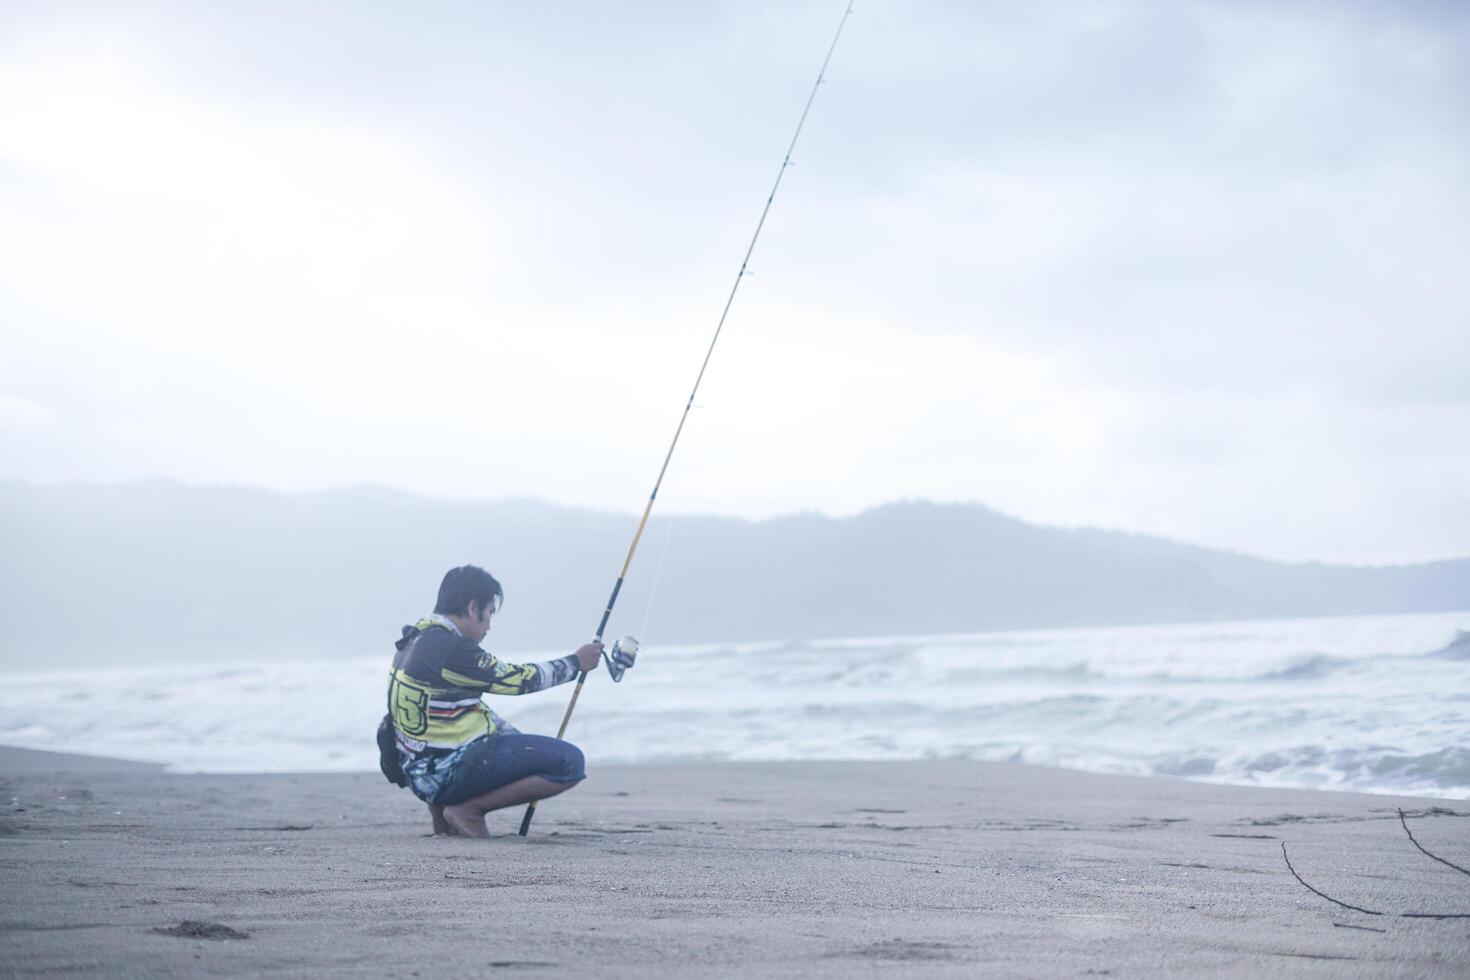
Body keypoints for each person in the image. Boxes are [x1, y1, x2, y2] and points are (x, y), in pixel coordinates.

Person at [386, 564, 601, 838]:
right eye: (489, 613)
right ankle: (469, 810)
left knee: (504, 743)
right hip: (446, 775)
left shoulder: (414, 639)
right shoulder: (453, 649)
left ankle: (442, 814)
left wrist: (518, 745)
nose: (489, 625)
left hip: (419, 775)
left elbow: (463, 708)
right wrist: (575, 663)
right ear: (473, 607)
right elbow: (517, 679)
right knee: (569, 762)